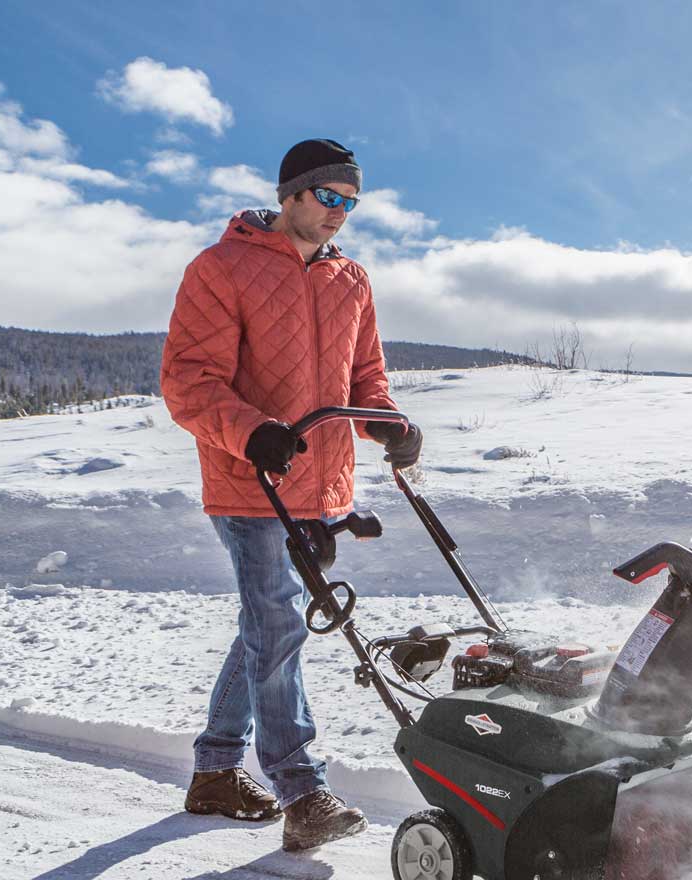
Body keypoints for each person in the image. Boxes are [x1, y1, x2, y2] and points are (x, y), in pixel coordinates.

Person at [160, 138, 423, 852]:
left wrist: (390, 426)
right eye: (329, 198)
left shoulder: (352, 279)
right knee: (276, 626)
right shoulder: (221, 267)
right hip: (250, 483)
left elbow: (365, 378)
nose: (340, 214)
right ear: (292, 193)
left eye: (351, 203)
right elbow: (189, 382)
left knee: (266, 626)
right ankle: (302, 790)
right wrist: (252, 433)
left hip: (320, 488)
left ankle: (215, 769)